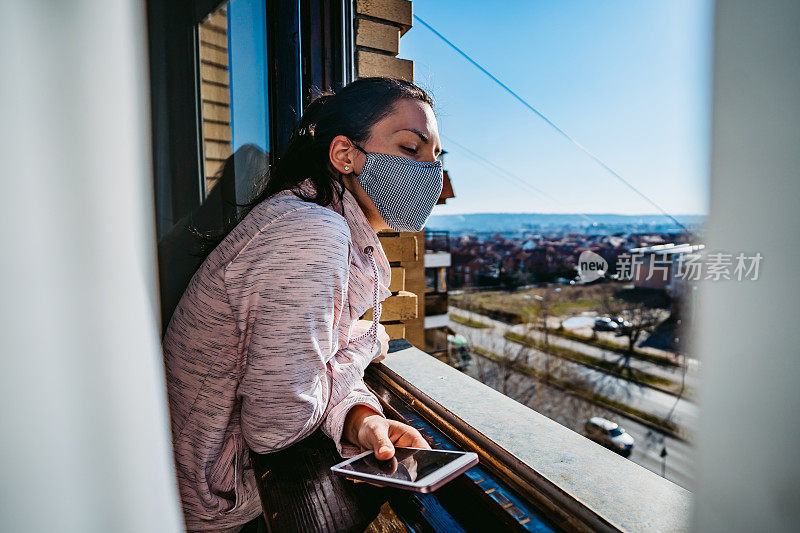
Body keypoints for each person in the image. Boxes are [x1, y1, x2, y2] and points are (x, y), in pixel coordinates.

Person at [161, 76, 444, 532]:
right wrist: (365, 343)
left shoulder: (325, 225)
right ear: (345, 155)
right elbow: (277, 425)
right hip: (211, 505)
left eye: (437, 158)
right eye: (412, 150)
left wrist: (358, 418)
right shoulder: (312, 233)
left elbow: (311, 368)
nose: (431, 173)